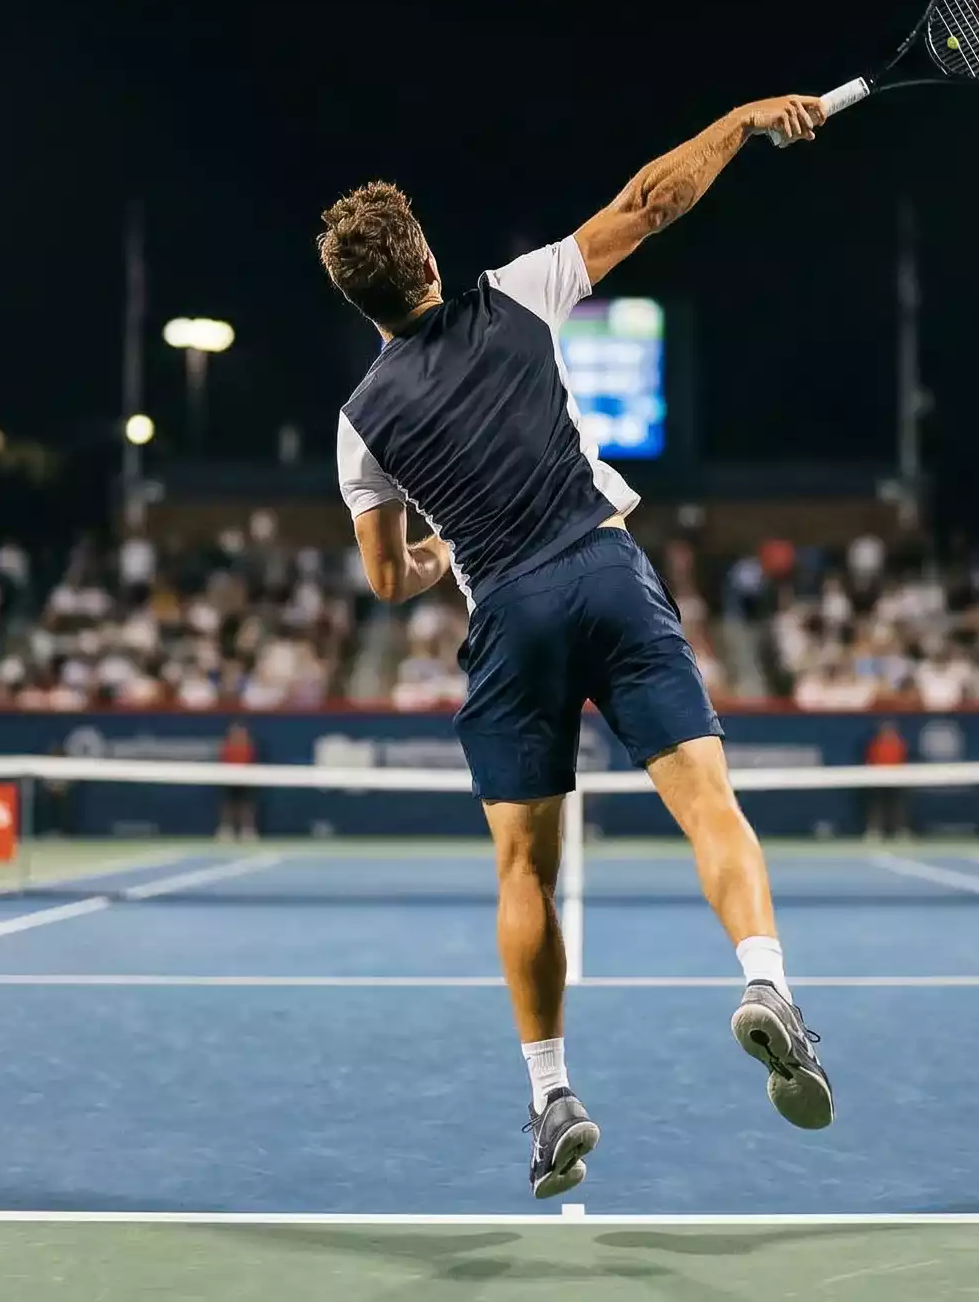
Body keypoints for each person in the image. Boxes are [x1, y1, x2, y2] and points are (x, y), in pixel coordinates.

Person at [314, 91, 834, 1201]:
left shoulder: (363, 421)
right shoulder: (515, 296)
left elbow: (384, 575)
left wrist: (429, 561)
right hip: (604, 571)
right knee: (710, 807)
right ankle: (767, 983)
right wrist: (742, 122)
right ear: (428, 262)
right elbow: (650, 203)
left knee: (523, 873)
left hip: (506, 612)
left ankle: (553, 1100)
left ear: (362, 305)